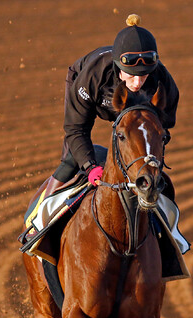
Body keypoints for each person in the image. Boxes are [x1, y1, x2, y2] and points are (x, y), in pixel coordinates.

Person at [20, 14, 179, 244]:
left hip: (135, 114)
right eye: (131, 75)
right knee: (71, 159)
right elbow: (76, 130)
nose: (137, 84)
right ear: (118, 67)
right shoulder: (93, 76)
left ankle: (170, 238)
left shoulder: (164, 84)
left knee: (152, 173)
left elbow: (162, 129)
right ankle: (37, 222)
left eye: (144, 76)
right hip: (90, 95)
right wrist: (91, 166)